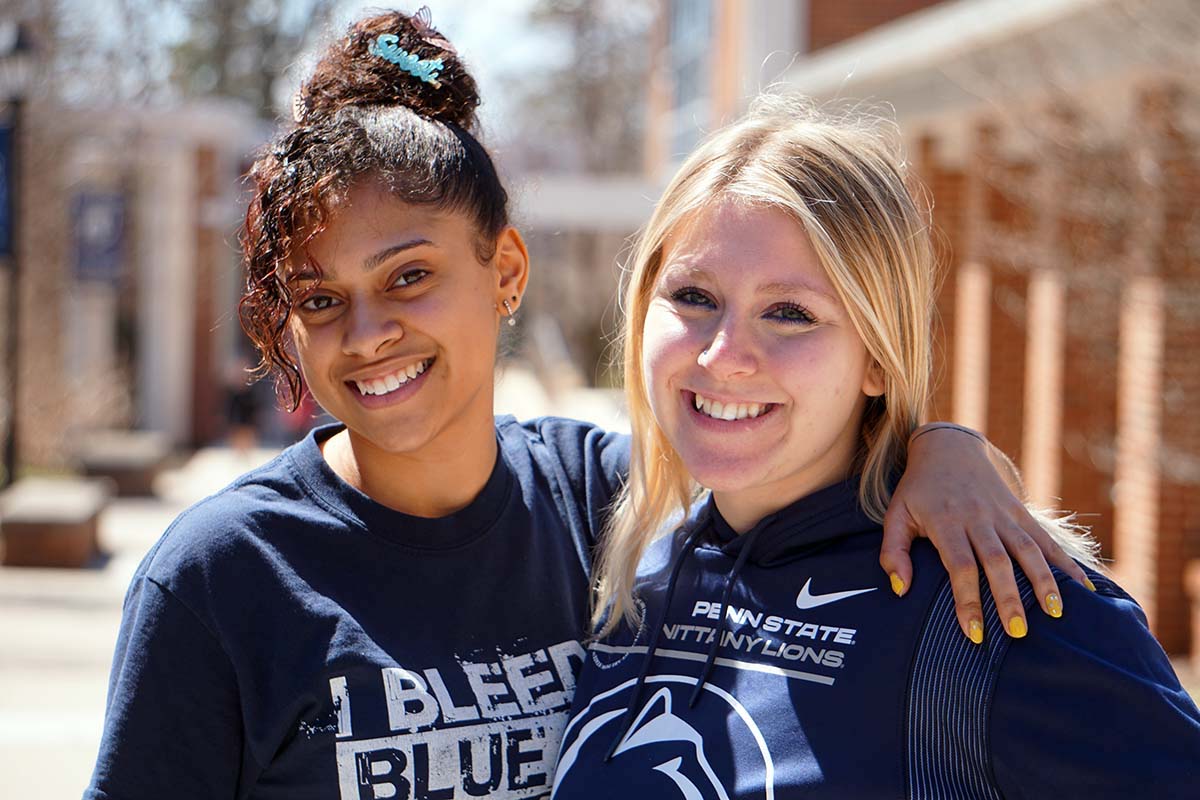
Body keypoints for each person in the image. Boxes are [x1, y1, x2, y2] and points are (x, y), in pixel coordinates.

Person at [85, 11, 1094, 799]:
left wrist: (945, 448)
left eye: (408, 277)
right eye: (319, 298)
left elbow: (797, 432)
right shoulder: (222, 575)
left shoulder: (609, 504)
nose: (366, 333)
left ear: (506, 269)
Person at [551, 95, 1200, 799]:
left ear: (880, 360)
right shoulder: (618, 550)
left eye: (791, 313)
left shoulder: (992, 600)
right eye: (693, 296)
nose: (725, 353)